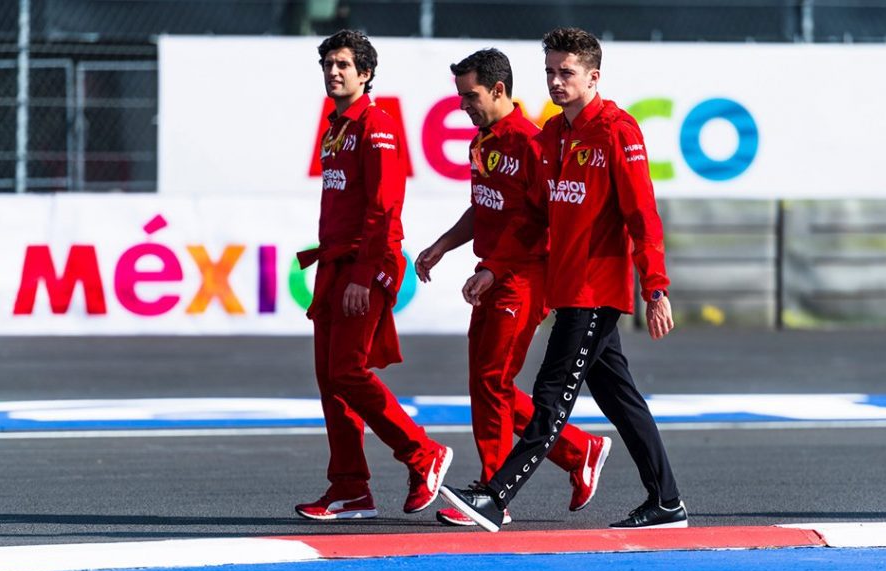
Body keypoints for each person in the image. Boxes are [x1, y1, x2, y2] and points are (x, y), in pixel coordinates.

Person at [439, 27, 687, 532]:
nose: (555, 81)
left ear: (593, 76)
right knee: (621, 399)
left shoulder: (619, 131)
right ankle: (667, 502)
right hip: (566, 288)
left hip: (597, 293)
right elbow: (530, 217)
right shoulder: (551, 135)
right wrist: (493, 267)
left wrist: (655, 288)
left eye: (566, 72)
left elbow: (643, 215)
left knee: (550, 397)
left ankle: (495, 495)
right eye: (549, 71)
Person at [415, 48, 612, 527]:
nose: (464, 105)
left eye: (471, 95)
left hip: (524, 276)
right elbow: (483, 208)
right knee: (485, 382)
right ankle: (578, 449)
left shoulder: (529, 143)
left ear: (499, 90)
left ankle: (492, 493)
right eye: (460, 95)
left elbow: (549, 222)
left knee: (493, 380)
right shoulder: (481, 142)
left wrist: (496, 269)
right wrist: (443, 245)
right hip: (494, 271)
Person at [294, 30, 452, 521]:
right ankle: (349, 489)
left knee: (348, 371)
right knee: (329, 378)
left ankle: (422, 453)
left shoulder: (376, 125)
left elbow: (385, 208)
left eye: (343, 64)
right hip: (335, 266)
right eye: (328, 64)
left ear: (365, 73)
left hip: (366, 265)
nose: (333, 72)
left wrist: (364, 274)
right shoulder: (336, 126)